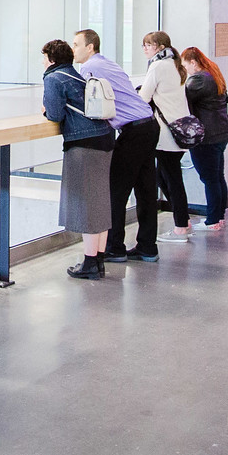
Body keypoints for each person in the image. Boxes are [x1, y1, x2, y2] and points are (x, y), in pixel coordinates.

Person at [73, 28, 160, 264]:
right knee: (145, 190)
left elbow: (89, 103)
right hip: (148, 125)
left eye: (76, 44)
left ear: (90, 47)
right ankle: (147, 247)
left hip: (134, 131)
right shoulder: (106, 63)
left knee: (115, 191)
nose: (74, 50)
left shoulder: (89, 68)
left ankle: (115, 248)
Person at [43, 38, 115, 279]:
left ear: (51, 60)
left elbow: (54, 113)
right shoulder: (78, 75)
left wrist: (46, 110)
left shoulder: (53, 78)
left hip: (83, 144)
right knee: (100, 200)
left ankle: (90, 263)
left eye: (44, 57)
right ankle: (99, 259)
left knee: (86, 204)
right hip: (105, 137)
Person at [137, 32, 196, 242]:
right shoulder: (174, 63)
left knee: (171, 178)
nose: (144, 49)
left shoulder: (158, 66)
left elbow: (144, 97)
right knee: (164, 176)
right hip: (179, 129)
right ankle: (184, 219)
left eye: (148, 45)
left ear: (160, 47)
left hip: (166, 132)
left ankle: (181, 226)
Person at [179, 47, 228, 230]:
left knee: (210, 179)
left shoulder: (198, 80)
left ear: (193, 62)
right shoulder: (213, 73)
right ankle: (219, 217)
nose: (185, 69)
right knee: (218, 177)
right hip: (221, 132)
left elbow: (181, 98)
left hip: (207, 137)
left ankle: (212, 221)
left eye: (185, 65)